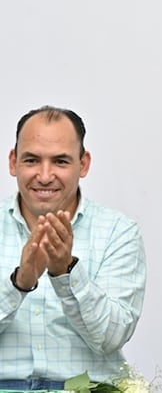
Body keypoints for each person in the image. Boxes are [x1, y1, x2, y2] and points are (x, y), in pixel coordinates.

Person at [0, 106, 146, 391]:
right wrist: (20, 283)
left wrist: (66, 273)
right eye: (32, 160)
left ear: (84, 164)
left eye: (60, 162)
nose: (44, 175)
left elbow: (110, 338)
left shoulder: (119, 230)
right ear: (13, 161)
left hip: (86, 388)